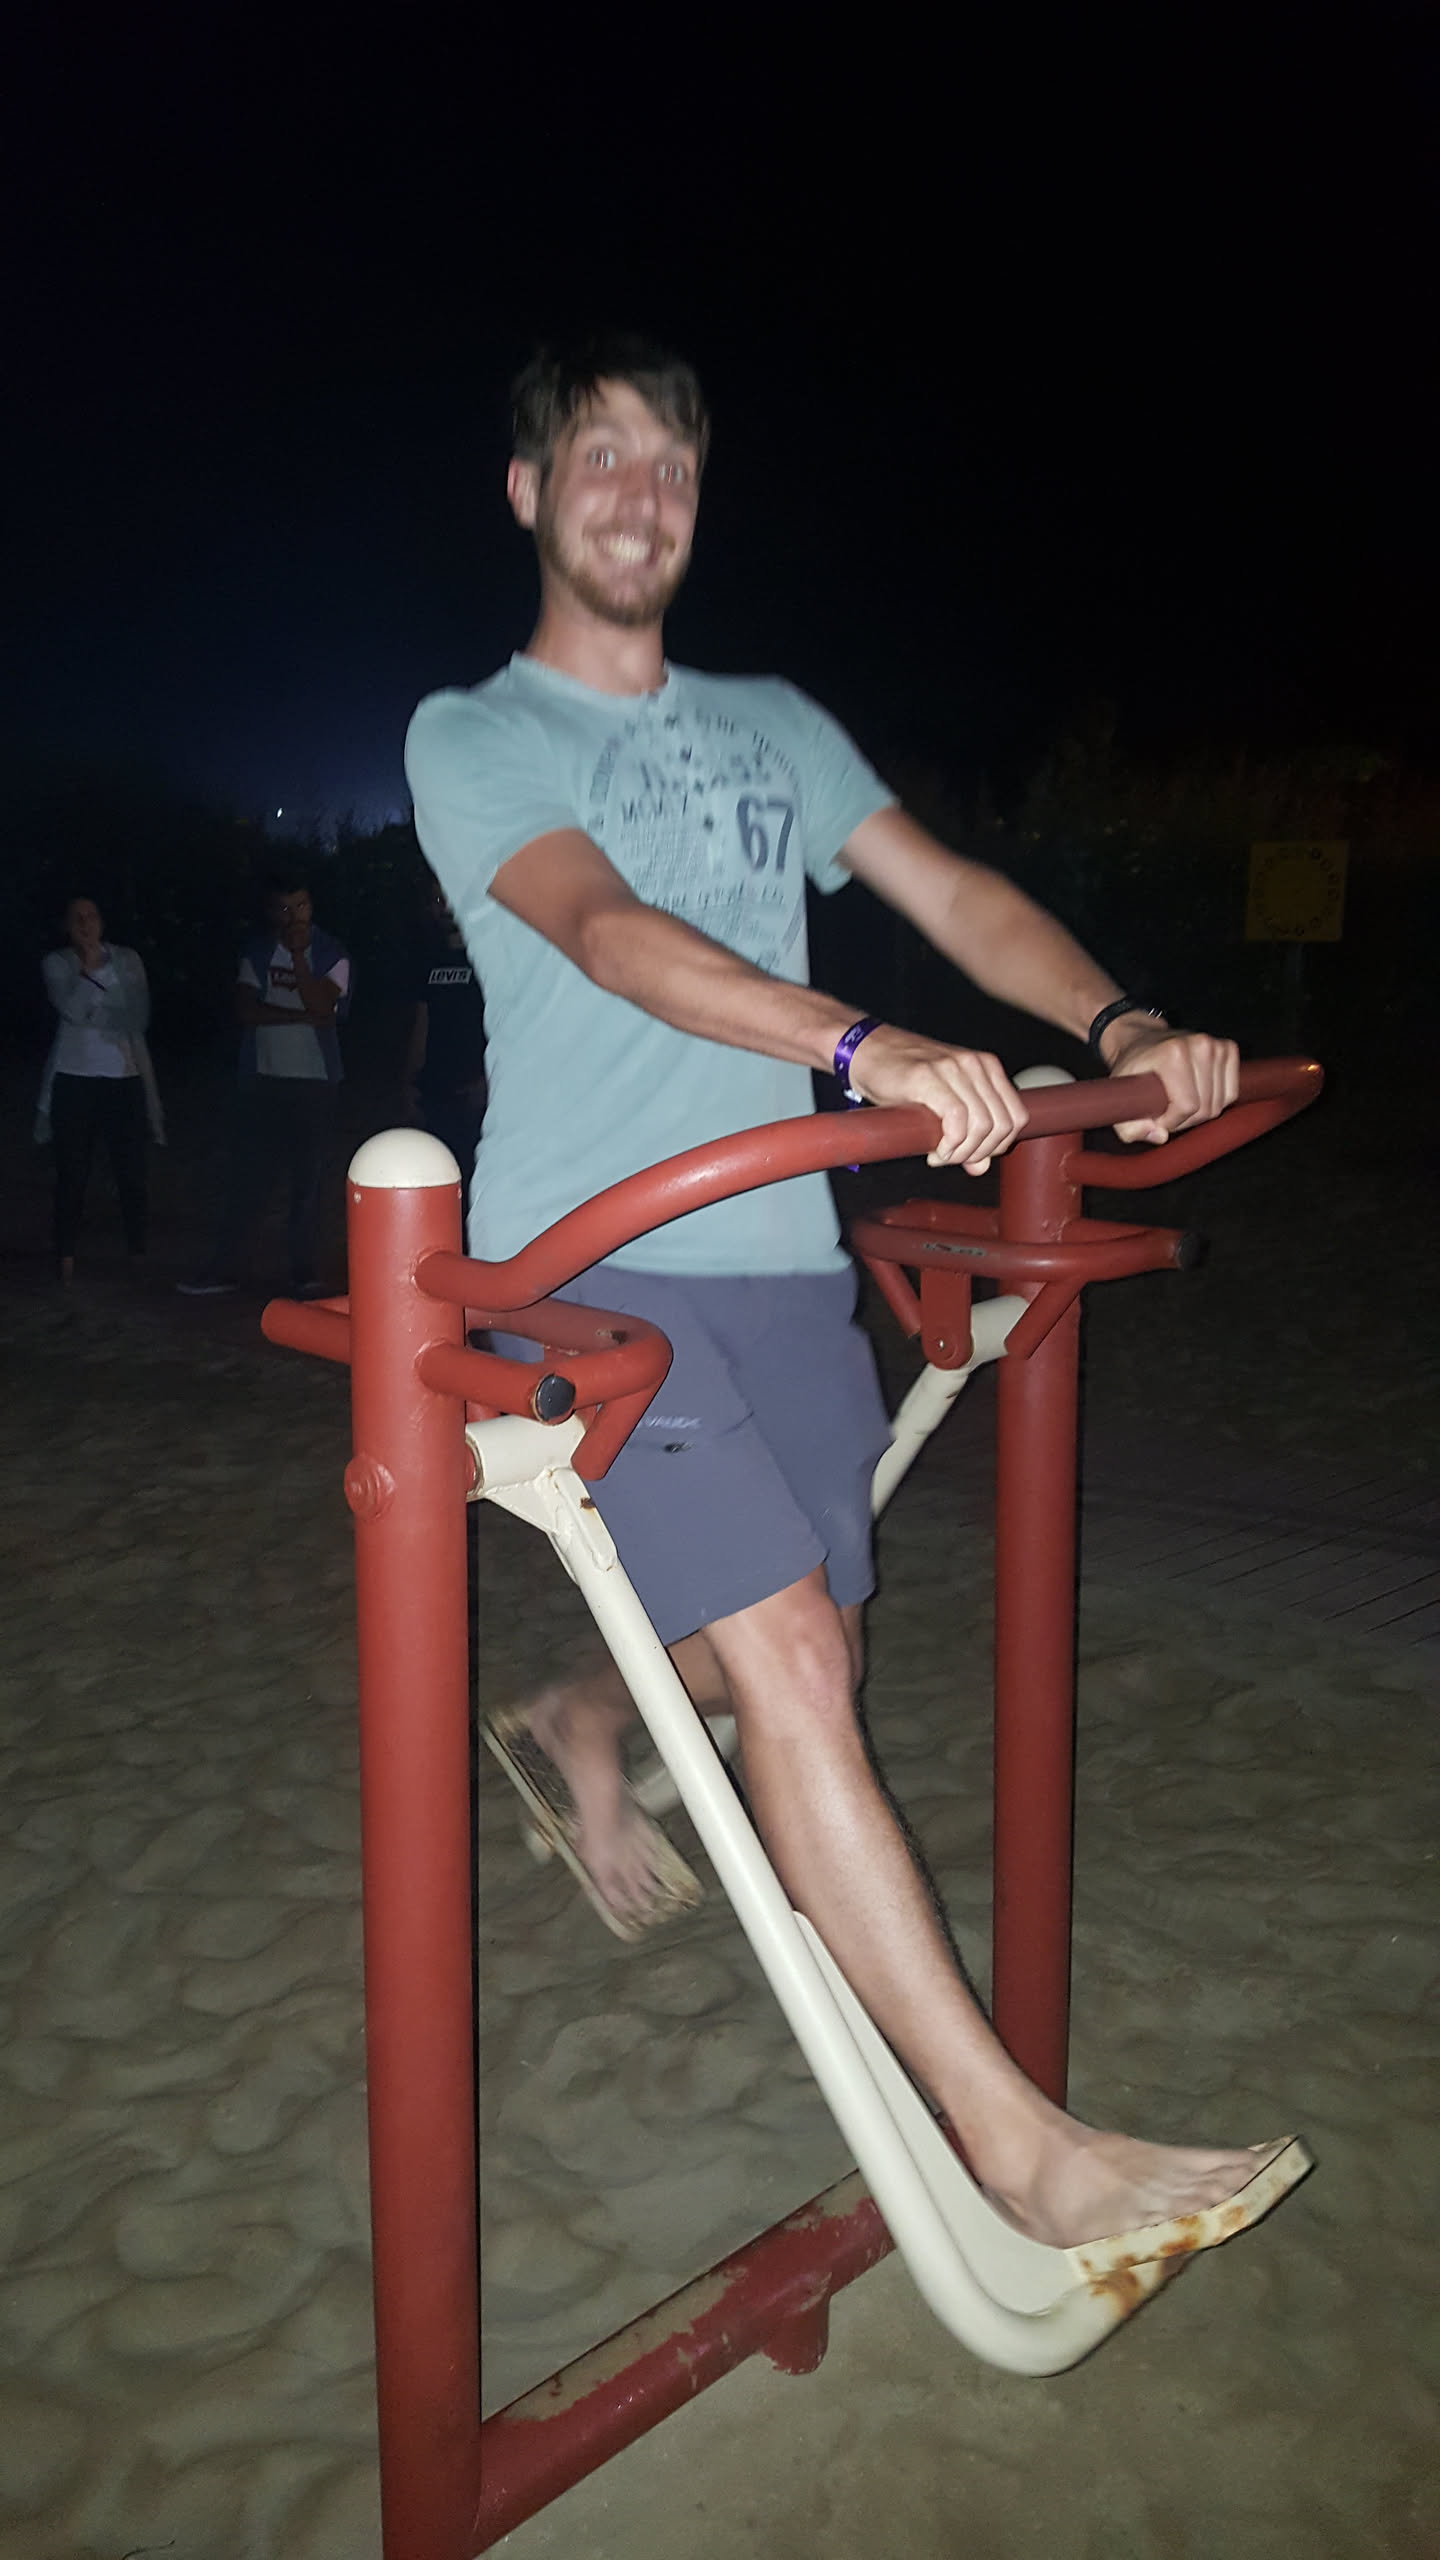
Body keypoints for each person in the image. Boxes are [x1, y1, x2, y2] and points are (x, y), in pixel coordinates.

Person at [404, 333, 1289, 2256]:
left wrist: (1123, 1024)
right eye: (603, 458)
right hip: (594, 1269)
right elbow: (611, 935)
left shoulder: (774, 723)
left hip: (788, 1266)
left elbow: (954, 894)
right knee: (797, 1660)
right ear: (530, 492)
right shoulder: (473, 735)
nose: (642, 496)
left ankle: (576, 1711)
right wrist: (862, 1046)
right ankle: (1019, 2150)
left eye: (674, 465)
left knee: (804, 1656)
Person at [178, 874, 350, 1298]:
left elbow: (322, 1005)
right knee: (248, 1179)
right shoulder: (256, 951)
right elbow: (246, 1011)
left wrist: (299, 959)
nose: (294, 917)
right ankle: (227, 1268)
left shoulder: (332, 953)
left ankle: (303, 1273)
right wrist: (303, 1017)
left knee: (308, 1184)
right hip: (262, 1080)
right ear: (272, 912)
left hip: (315, 1083)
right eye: (285, 908)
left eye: (301, 906)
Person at [37, 895, 165, 1282]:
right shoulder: (57, 963)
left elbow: (138, 1015)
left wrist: (97, 1009)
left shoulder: (128, 960)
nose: (86, 924)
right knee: (72, 1172)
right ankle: (65, 1256)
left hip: (124, 1079)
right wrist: (91, 969)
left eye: (91, 916)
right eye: (77, 918)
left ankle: (137, 1253)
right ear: (66, 926)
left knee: (131, 1171)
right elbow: (71, 1010)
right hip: (73, 1080)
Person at [400, 874, 488, 1210]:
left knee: (477, 1180)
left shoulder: (488, 957)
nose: (446, 908)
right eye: (438, 900)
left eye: (451, 897)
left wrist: (488, 1080)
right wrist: (409, 1081)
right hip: (436, 1087)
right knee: (439, 1180)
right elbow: (420, 1022)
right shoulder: (427, 957)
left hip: (477, 1089)